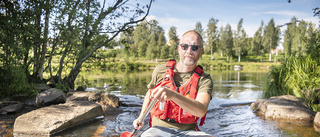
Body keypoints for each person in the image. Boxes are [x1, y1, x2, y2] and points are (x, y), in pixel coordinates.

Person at [133, 30, 213, 137]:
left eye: (194, 48)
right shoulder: (160, 70)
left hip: (188, 132)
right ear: (179, 48)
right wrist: (141, 116)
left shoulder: (205, 79)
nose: (189, 51)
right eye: (185, 46)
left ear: (201, 51)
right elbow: (150, 93)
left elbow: (201, 111)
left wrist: (173, 95)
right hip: (157, 130)